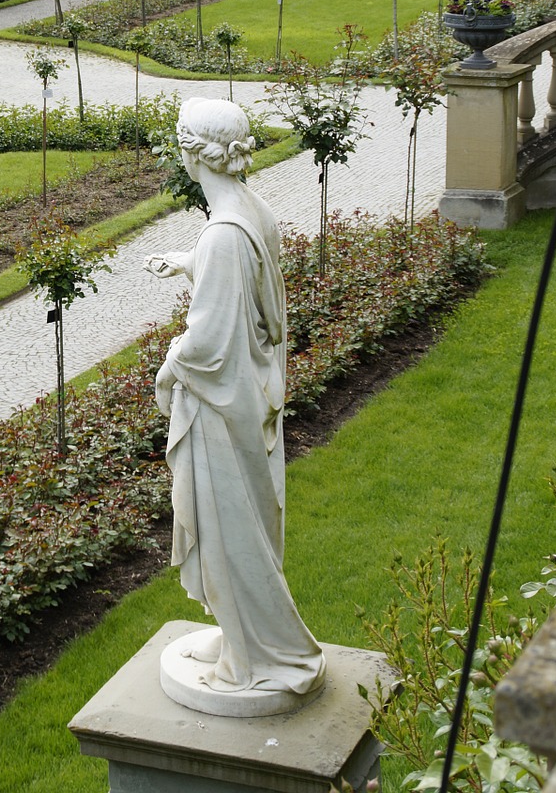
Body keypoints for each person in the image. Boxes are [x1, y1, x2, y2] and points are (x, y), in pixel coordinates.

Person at [145, 97, 325, 709]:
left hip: (222, 408)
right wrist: (187, 262)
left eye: (178, 140)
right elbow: (240, 270)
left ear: (193, 152)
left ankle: (260, 656)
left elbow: (208, 343)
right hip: (253, 396)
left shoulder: (223, 233)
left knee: (231, 531)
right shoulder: (251, 208)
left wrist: (168, 368)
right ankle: (237, 638)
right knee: (247, 523)